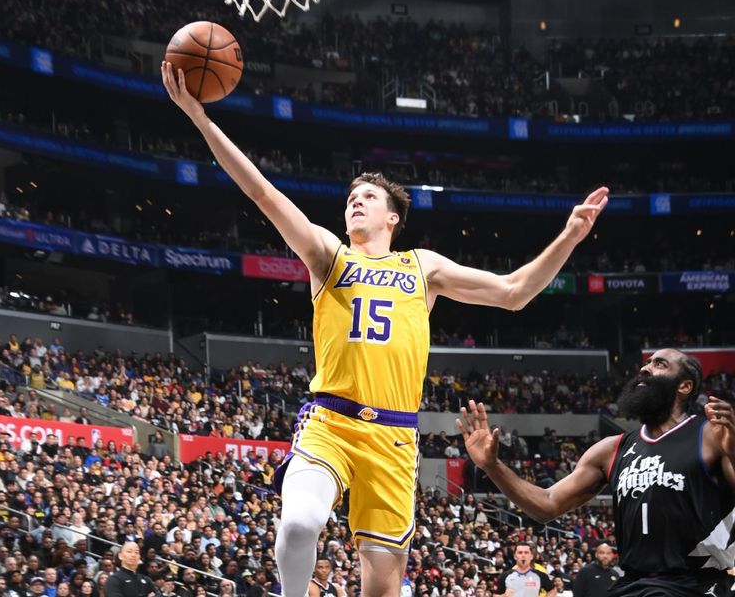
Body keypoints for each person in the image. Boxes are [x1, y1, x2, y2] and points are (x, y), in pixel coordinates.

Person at [162, 60, 608, 597]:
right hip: (331, 420)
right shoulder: (328, 255)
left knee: (381, 590)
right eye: (351, 195)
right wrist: (199, 118)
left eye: (367, 195)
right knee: (300, 522)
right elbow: (263, 194)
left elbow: (515, 293)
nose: (355, 199)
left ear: (393, 217)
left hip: (395, 437)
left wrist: (569, 237)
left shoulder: (423, 268)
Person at [459, 348, 734, 597]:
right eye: (646, 363)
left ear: (684, 386)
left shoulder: (711, 434)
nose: (645, 369)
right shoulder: (611, 449)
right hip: (635, 584)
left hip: (698, 584)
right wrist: (492, 466)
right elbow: (547, 505)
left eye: (660, 364)